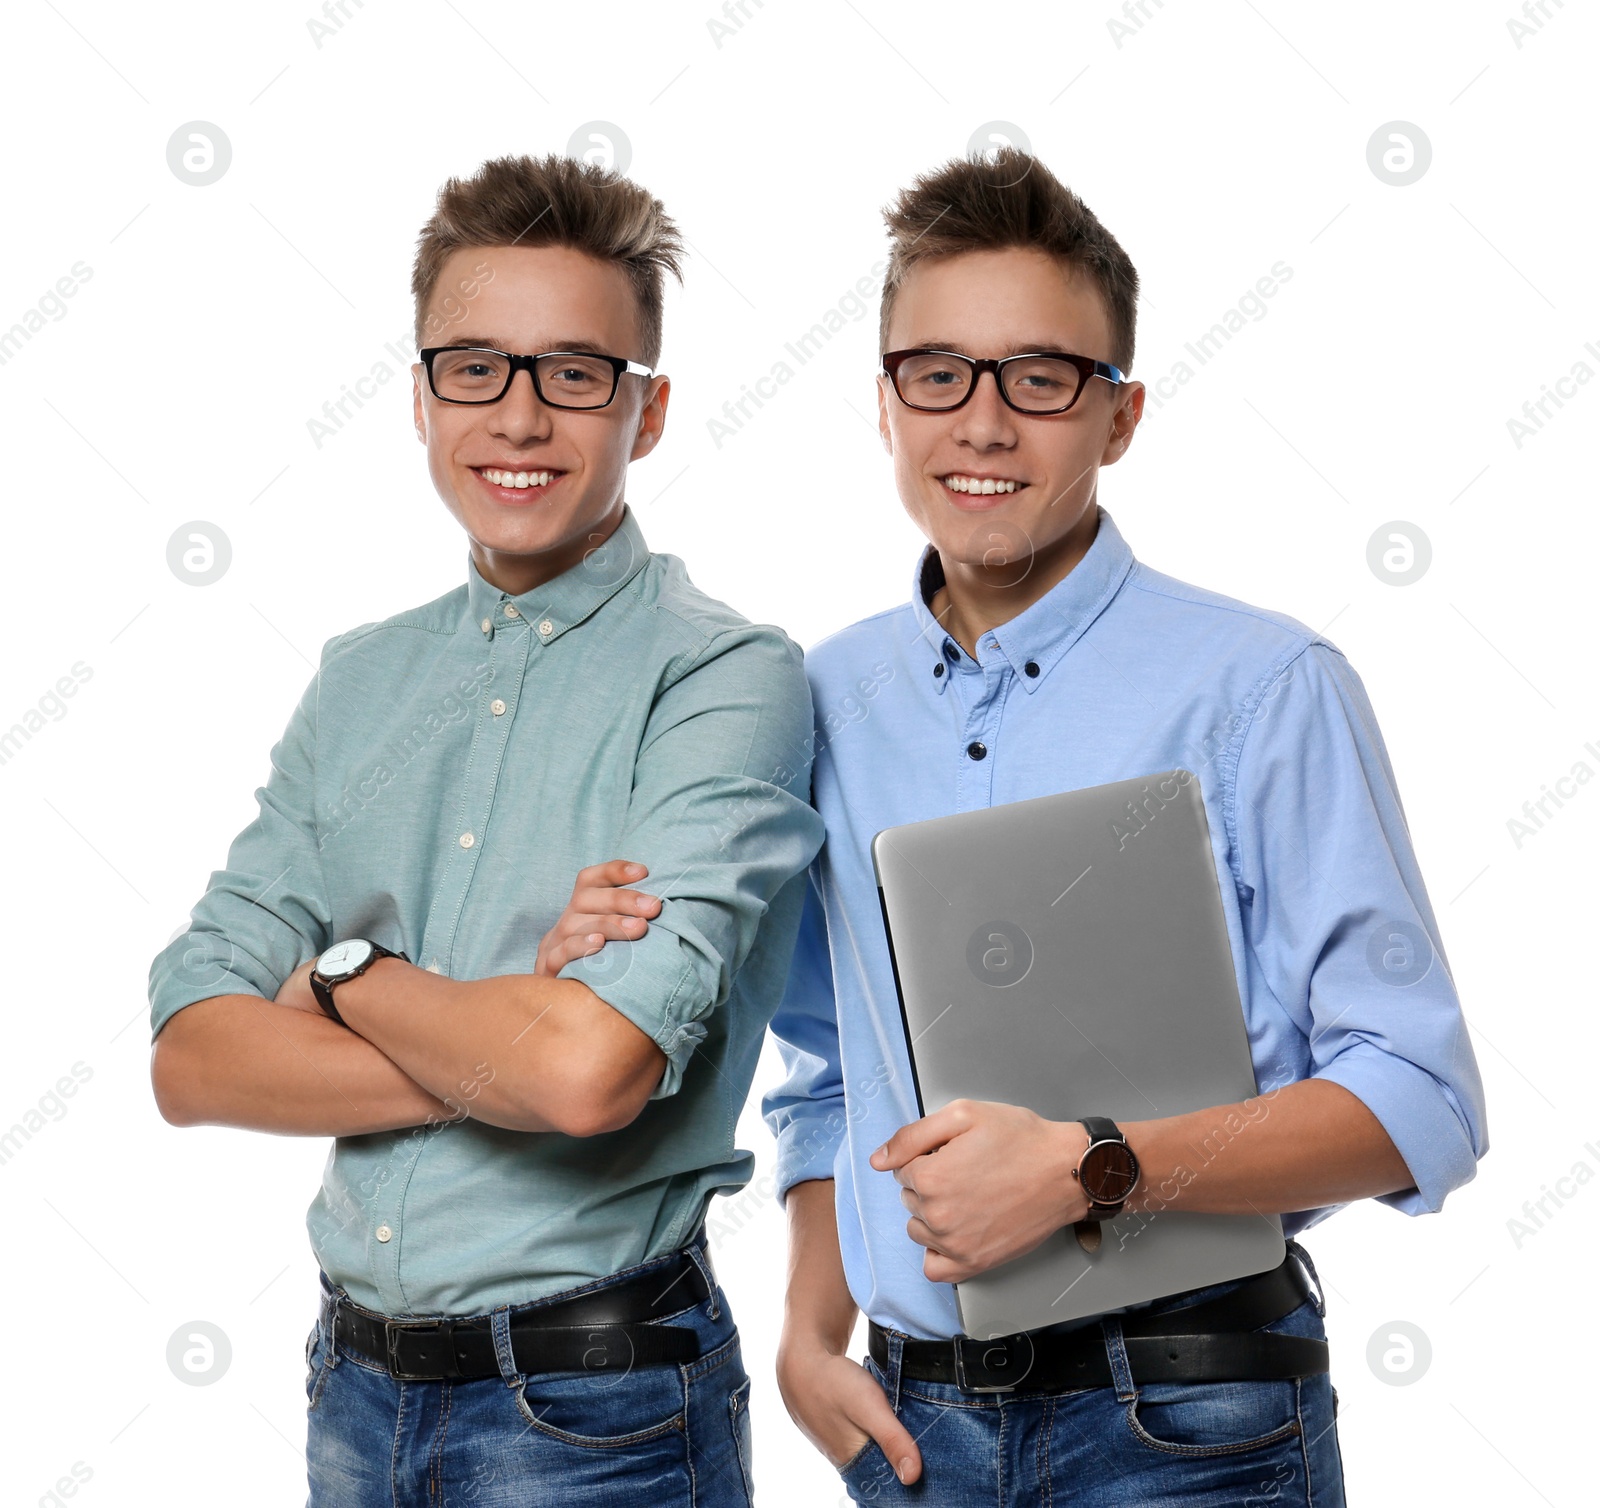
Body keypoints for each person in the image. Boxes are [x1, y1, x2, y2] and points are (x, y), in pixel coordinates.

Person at [543, 147, 1488, 1505]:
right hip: (920, 1435)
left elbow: (1422, 1099)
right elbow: (823, 1071)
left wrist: (1096, 1169)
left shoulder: (1265, 690)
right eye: (939, 372)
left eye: (1041, 378)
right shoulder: (822, 699)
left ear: (1121, 416)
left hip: (1193, 1422)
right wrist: (814, 1335)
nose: (983, 425)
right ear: (885, 403)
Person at [147, 152, 823, 1508]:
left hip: (596, 1413)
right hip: (350, 1391)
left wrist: (347, 985)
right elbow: (189, 1056)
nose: (520, 416)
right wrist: (506, 1030)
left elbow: (588, 1082)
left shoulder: (728, 677)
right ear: (419, 394)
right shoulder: (359, 682)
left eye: (576, 372)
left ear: (651, 410)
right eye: (476, 367)